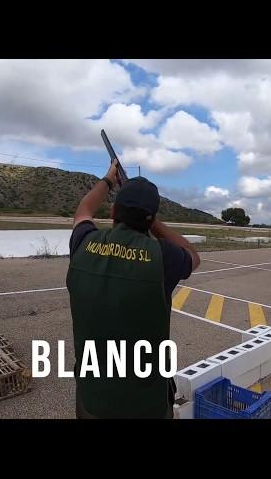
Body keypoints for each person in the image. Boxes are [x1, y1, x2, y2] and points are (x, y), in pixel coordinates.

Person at [66, 162, 201, 419]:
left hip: (92, 399)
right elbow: (193, 256)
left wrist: (108, 179)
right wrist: (155, 224)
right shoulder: (163, 257)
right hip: (145, 404)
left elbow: (83, 210)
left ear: (114, 211)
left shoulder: (83, 243)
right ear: (150, 220)